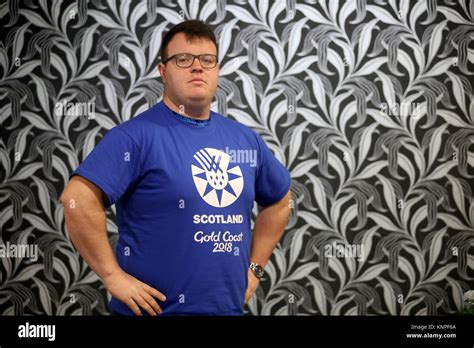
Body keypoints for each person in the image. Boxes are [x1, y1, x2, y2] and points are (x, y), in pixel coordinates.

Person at [61, 19, 292, 316]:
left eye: (207, 60)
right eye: (183, 59)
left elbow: (280, 201)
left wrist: (255, 269)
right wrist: (112, 277)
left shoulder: (245, 139)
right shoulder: (134, 137)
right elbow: (76, 199)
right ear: (163, 71)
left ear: (217, 70)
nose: (197, 67)